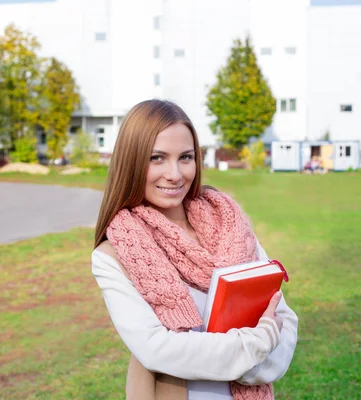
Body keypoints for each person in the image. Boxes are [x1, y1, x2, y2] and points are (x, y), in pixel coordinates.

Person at [91, 100, 298, 400]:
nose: (174, 174)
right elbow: (157, 348)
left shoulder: (232, 228)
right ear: (132, 161)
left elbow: (283, 319)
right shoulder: (113, 256)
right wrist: (254, 344)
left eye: (185, 157)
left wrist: (256, 360)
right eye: (157, 158)